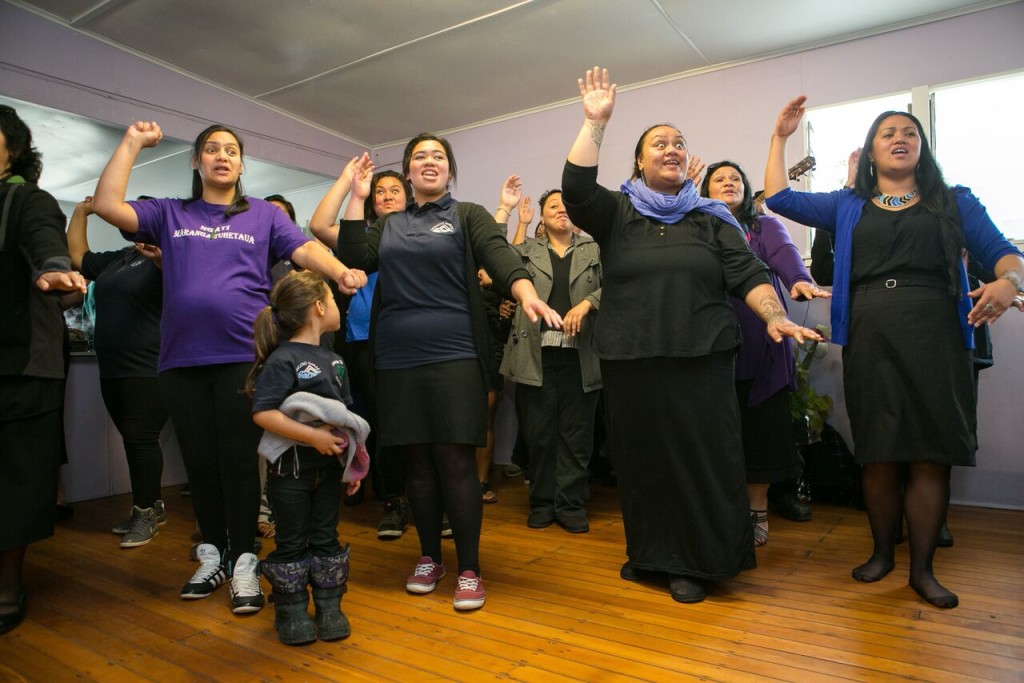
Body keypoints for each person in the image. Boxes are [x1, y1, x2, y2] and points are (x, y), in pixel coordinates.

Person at [561, 67, 822, 603]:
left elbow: (747, 274)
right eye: (660, 143)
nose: (672, 149)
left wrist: (772, 315)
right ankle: (650, 554)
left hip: (700, 357)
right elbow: (576, 189)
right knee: (641, 462)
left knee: (699, 461)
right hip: (632, 358)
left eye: (679, 143)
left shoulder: (712, 219)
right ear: (640, 160)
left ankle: (696, 564)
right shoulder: (618, 212)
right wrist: (595, 122)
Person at [93, 121, 366, 616]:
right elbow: (108, 205)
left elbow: (303, 249)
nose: (223, 157)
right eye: (212, 150)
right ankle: (213, 553)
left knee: (240, 463)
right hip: (179, 360)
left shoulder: (262, 215)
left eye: (233, 151)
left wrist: (338, 271)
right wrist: (132, 142)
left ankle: (244, 557)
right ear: (197, 162)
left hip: (241, 358)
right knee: (200, 466)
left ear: (242, 165)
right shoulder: (170, 213)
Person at [763, 96, 1024, 608]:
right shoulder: (846, 204)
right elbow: (779, 198)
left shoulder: (954, 201)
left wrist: (1008, 282)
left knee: (931, 454)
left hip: (937, 333)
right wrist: (780, 137)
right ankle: (883, 552)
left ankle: (922, 571)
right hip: (870, 329)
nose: (900, 138)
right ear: (872, 150)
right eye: (888, 133)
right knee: (878, 452)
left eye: (910, 132)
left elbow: (1004, 255)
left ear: (921, 149)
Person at [334, 136, 560, 611]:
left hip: (456, 355)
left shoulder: (468, 215)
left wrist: (523, 292)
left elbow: (500, 257)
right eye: (420, 157)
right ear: (409, 173)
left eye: (438, 156)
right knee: (417, 460)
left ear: (449, 170)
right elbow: (355, 258)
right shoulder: (390, 224)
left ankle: (470, 567)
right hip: (395, 359)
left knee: (455, 459)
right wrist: (357, 196)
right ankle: (429, 557)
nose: (429, 162)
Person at [700, 161, 830, 545]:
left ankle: (757, 512)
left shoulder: (763, 226)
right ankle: (722, 511)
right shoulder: (696, 228)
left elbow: (787, 256)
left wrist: (801, 281)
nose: (728, 183)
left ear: (746, 189)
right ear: (704, 191)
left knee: (760, 433)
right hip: (709, 347)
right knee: (715, 435)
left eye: (735, 178)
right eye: (718, 179)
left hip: (760, 344)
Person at [1, 104, 89, 634]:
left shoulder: (25, 198)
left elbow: (47, 245)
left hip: (19, 363)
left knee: (16, 477)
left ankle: (8, 581)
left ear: (12, 149)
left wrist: (58, 271)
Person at [247, 270, 363, 645]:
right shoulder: (283, 359)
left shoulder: (335, 359)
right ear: (318, 308)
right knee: (292, 541)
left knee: (326, 538)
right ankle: (291, 610)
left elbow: (344, 421)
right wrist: (313, 435)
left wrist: (352, 466)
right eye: (331, 298)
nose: (337, 306)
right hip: (290, 473)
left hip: (328, 472)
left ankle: (330, 607)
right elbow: (264, 413)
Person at [310, 166, 415, 539]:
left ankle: (424, 500)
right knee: (377, 423)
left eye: (395, 190)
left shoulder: (422, 234)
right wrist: (348, 184)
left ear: (410, 196)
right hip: (362, 341)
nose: (386, 196)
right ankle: (393, 501)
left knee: (412, 424)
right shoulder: (362, 238)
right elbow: (319, 225)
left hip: (411, 341)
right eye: (380, 191)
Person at [67, 195, 168, 549]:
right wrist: (81, 210)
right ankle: (152, 505)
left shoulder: (168, 257)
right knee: (131, 436)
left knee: (141, 438)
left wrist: (161, 254)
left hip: (149, 363)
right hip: (112, 364)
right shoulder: (119, 259)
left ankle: (145, 513)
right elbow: (77, 256)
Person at [500, 188, 603, 533]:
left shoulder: (596, 248)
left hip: (582, 356)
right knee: (539, 435)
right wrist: (508, 211)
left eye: (567, 206)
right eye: (553, 207)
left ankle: (571, 503)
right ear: (542, 218)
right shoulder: (527, 250)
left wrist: (588, 303)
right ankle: (542, 502)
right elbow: (493, 258)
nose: (562, 211)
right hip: (534, 355)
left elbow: (618, 283)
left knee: (577, 436)